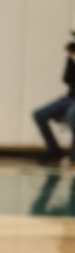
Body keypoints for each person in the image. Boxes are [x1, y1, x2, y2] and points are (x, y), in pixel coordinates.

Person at [31, 38, 75, 166]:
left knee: (72, 116)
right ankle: (54, 151)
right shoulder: (72, 59)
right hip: (69, 98)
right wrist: (70, 58)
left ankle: (74, 157)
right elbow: (67, 79)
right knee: (39, 114)